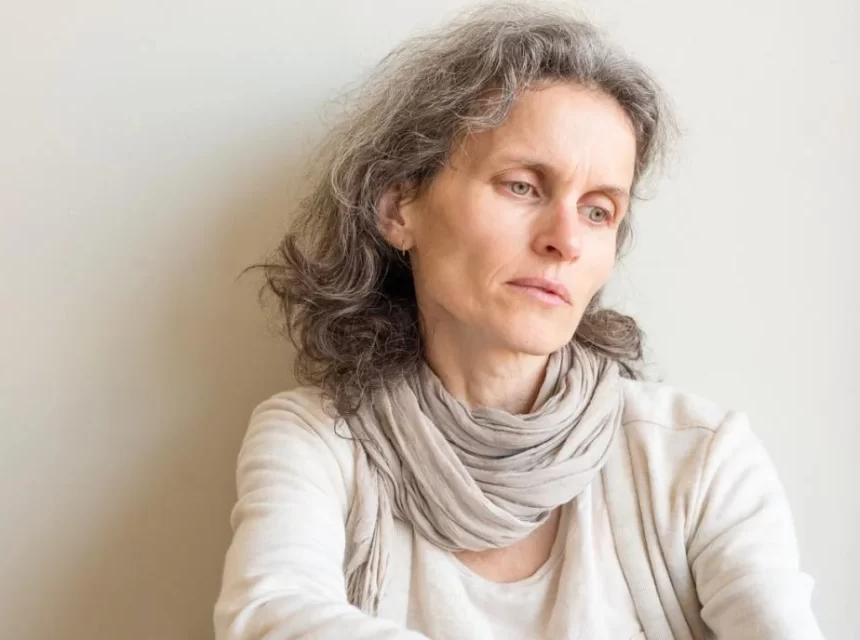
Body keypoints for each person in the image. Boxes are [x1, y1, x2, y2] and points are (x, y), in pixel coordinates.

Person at [213, 3, 824, 639]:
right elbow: (270, 617)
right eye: (523, 186)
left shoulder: (698, 455)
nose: (567, 241)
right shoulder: (318, 440)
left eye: (598, 210)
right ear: (399, 208)